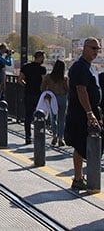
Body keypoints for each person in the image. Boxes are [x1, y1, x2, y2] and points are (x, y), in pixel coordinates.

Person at [65, 37, 102, 191]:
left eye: (98, 49)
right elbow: (81, 90)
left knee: (87, 144)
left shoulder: (88, 67)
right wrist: (89, 112)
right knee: (81, 144)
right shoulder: (80, 67)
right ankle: (78, 178)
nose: (96, 52)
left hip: (90, 110)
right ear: (85, 48)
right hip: (81, 112)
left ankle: (80, 177)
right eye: (94, 48)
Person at [18, 50, 46, 144]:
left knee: (28, 116)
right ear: (40, 57)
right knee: (40, 115)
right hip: (38, 94)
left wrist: (26, 85)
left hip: (28, 93)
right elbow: (44, 82)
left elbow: (19, 79)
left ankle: (28, 136)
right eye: (43, 57)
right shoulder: (42, 69)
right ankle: (39, 136)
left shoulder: (26, 67)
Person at [40, 59, 69, 146]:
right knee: (62, 119)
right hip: (62, 98)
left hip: (52, 98)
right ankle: (61, 138)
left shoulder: (49, 77)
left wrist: (47, 93)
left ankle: (54, 136)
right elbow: (67, 89)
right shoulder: (64, 78)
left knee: (53, 118)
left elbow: (42, 88)